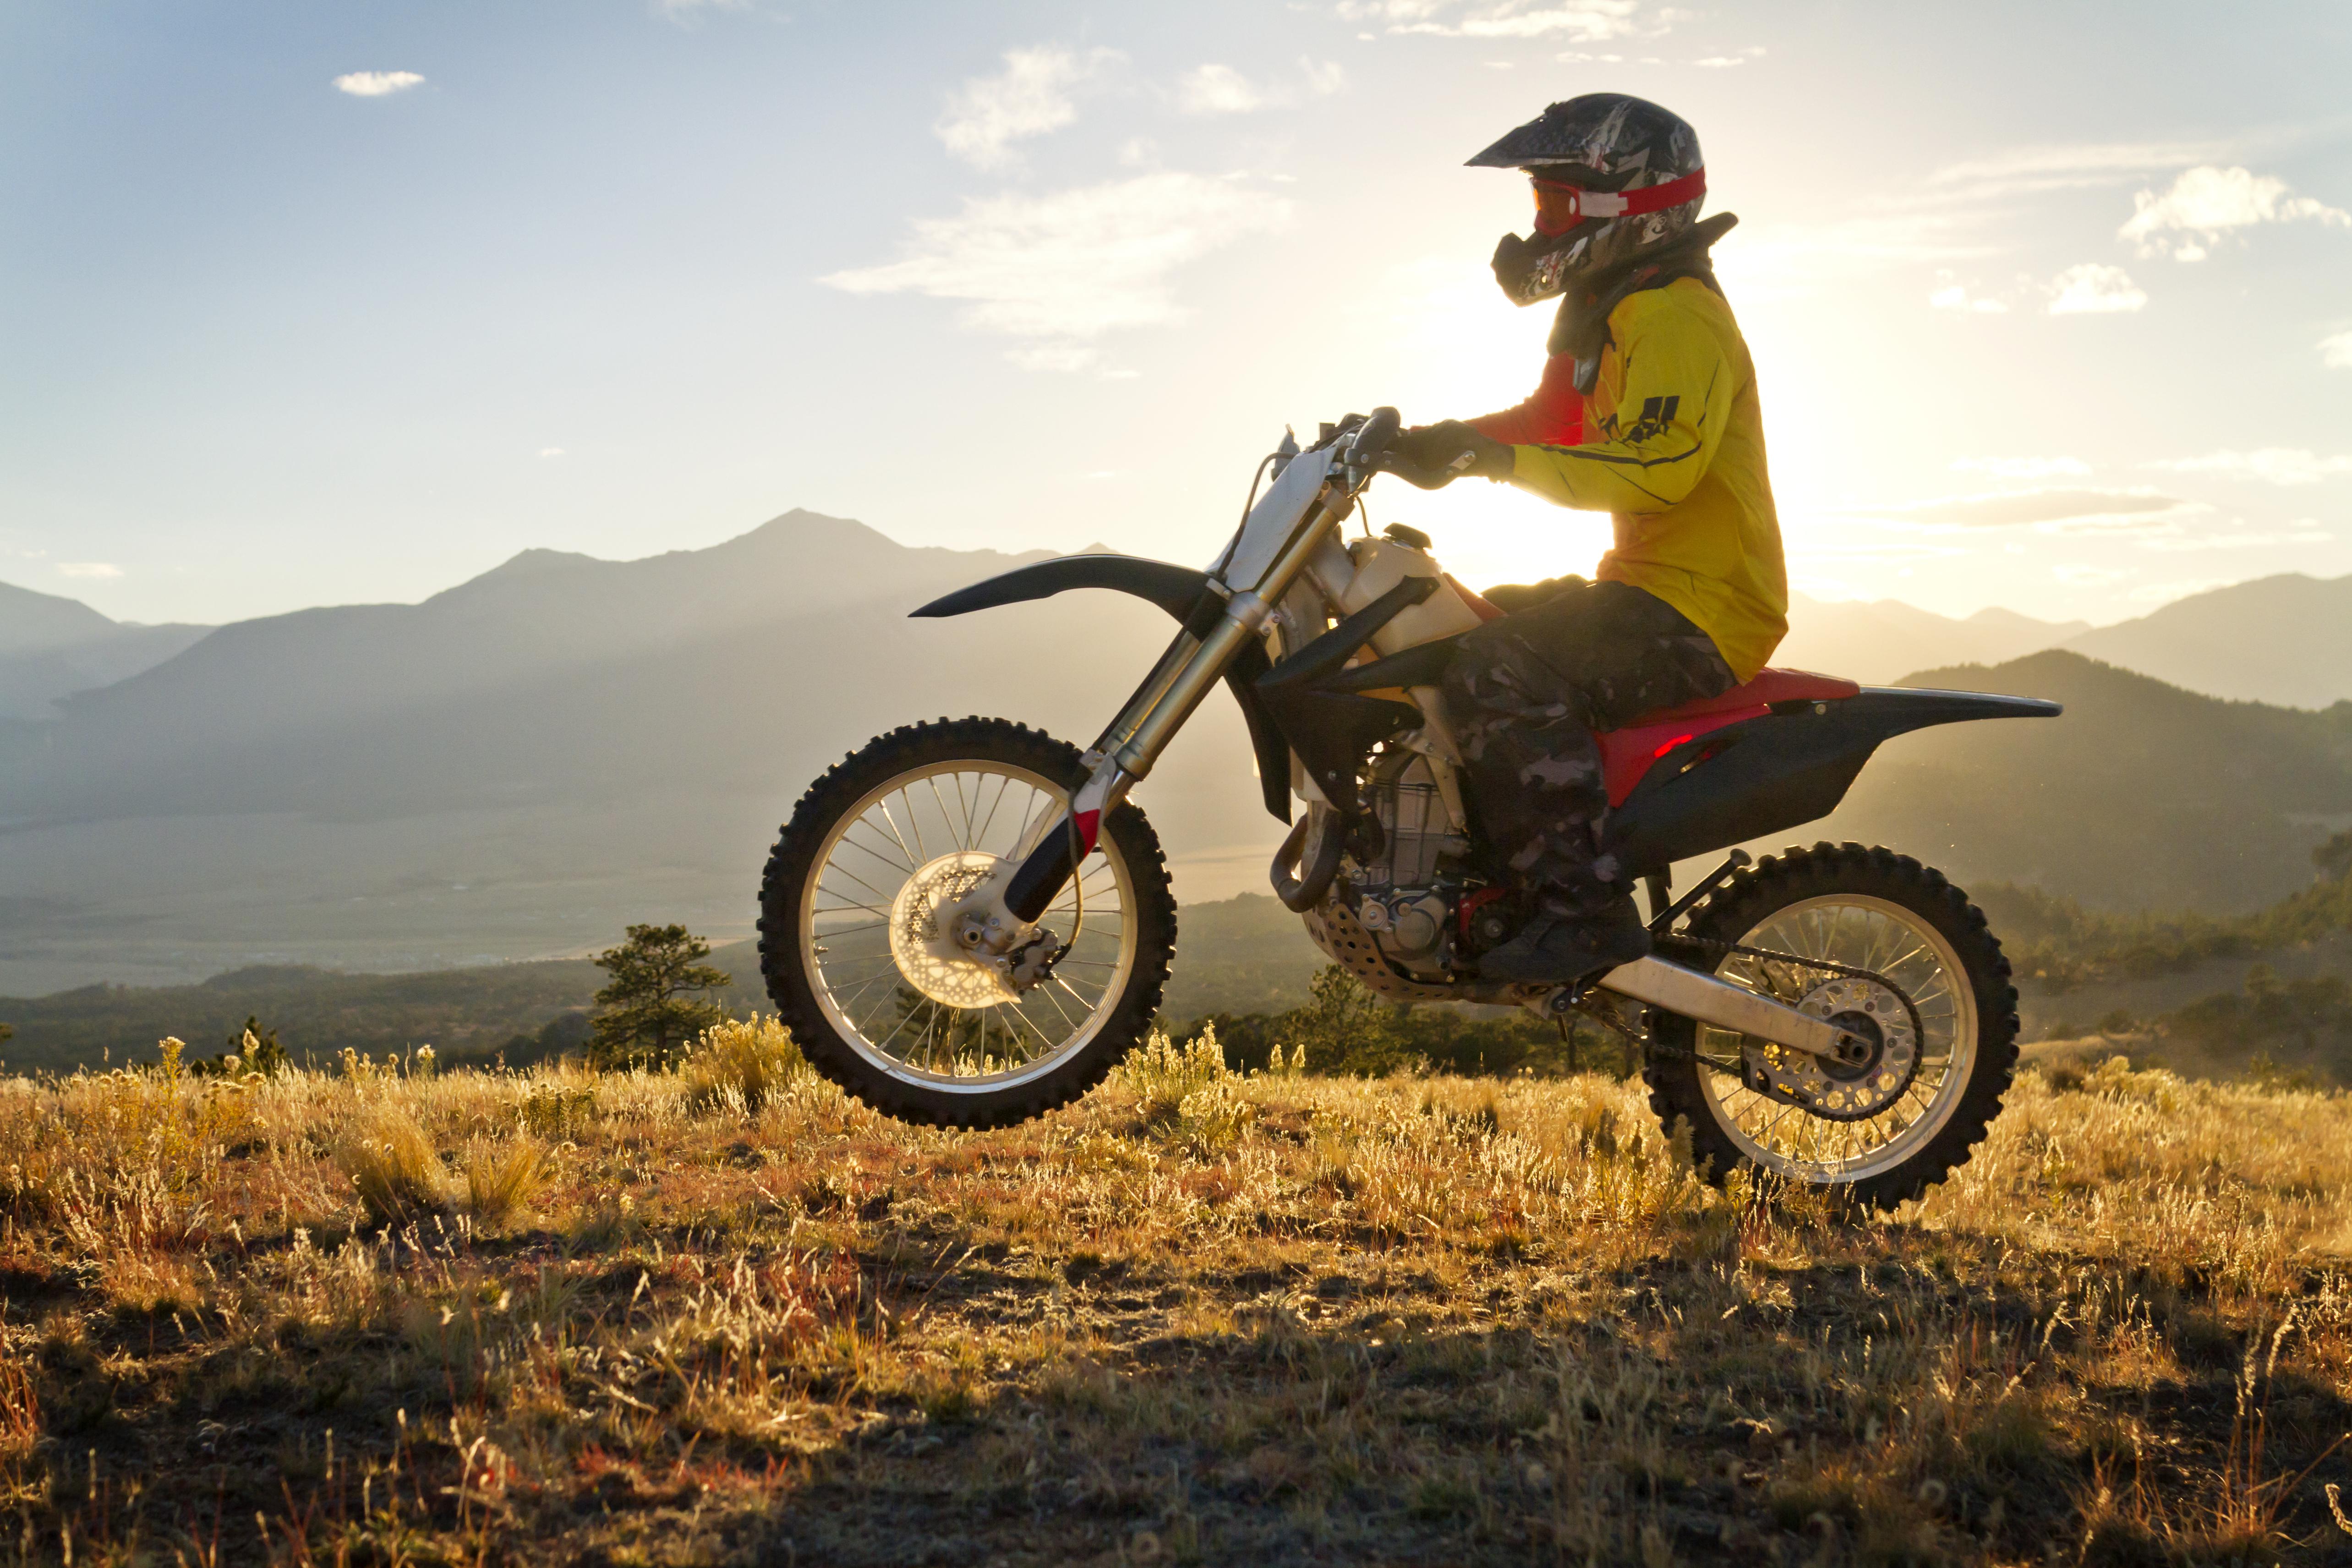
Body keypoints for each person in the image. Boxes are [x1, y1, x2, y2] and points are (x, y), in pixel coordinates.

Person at [1385, 93, 1789, 983]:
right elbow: (1548, 420)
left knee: (1498, 672)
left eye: (1552, 208)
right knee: (1461, 626)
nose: (1537, 229)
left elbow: (1654, 467)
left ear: (1625, 209)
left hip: (1703, 609)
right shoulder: (1614, 307)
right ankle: (1483, 873)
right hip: (1648, 588)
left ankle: (1580, 910)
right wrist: (1429, 441)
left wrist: (1485, 458)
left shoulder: (1678, 313)